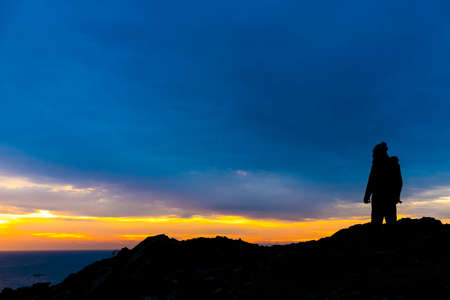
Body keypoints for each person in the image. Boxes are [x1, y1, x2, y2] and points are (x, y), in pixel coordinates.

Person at [363, 142, 403, 224]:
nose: (373, 155)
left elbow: (371, 181)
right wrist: (397, 196)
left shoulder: (377, 165)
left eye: (374, 153)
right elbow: (399, 182)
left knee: (377, 224)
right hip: (389, 198)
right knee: (390, 223)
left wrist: (367, 196)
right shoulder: (393, 164)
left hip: (380, 199)